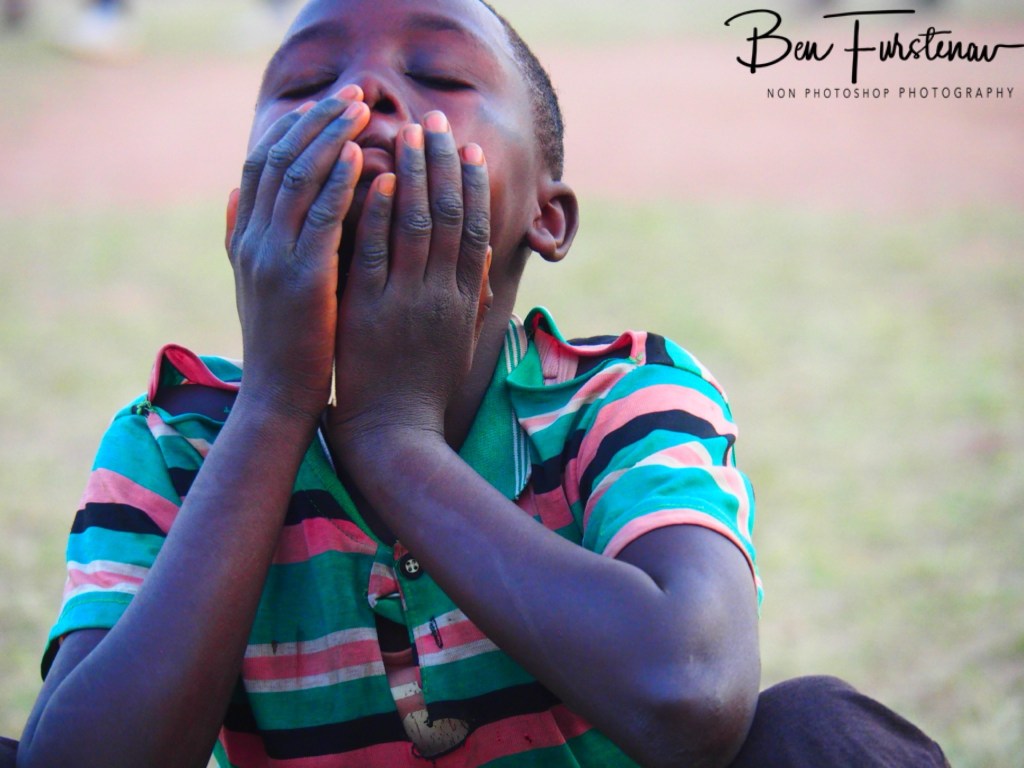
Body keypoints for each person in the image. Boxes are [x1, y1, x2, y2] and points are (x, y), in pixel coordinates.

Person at [15, 0, 949, 766]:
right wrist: (273, 406)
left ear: (547, 215)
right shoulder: (174, 440)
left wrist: (393, 440)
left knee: (821, 734)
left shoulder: (619, 400)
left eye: (441, 76)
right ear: (244, 208)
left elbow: (690, 695)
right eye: (304, 86)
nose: (361, 93)